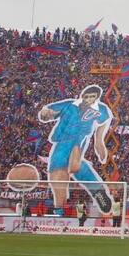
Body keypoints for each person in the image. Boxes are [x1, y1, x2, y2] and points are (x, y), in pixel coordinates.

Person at [39, 85, 113, 214]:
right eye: (87, 96)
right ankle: (96, 189)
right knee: (62, 171)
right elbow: (47, 113)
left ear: (96, 98)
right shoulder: (69, 105)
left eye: (92, 97)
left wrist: (99, 144)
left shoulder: (101, 110)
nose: (89, 99)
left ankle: (60, 209)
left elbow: (102, 128)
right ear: (82, 96)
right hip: (62, 141)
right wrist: (45, 113)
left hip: (78, 142)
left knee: (63, 168)